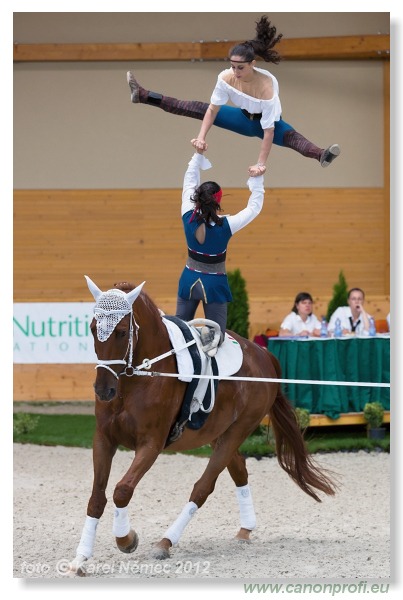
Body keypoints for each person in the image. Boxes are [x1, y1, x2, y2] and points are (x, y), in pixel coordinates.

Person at [127, 15, 340, 177]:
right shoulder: (226, 78)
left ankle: (321, 154)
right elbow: (212, 110)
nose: (235, 72)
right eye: (232, 66)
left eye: (240, 68)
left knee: (293, 139)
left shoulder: (267, 87)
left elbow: (268, 132)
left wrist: (260, 164)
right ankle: (144, 95)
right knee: (196, 108)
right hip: (241, 118)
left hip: (267, 125)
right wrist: (201, 137)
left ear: (252, 64)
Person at [176, 147, 265, 352]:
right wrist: (257, 181)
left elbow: (189, 179)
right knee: (217, 339)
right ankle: (207, 350)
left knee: (177, 332)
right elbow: (254, 208)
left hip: (189, 279)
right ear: (218, 201)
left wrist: (197, 155)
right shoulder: (227, 224)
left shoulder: (186, 212)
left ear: (197, 198)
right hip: (214, 284)